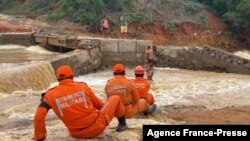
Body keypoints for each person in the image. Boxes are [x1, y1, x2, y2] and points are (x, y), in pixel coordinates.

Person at [33, 65, 127, 141]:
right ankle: (122, 124)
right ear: (72, 76)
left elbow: (38, 116)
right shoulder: (82, 87)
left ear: (58, 79)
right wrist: (109, 111)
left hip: (76, 133)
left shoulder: (50, 95)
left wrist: (40, 137)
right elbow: (99, 105)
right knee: (115, 98)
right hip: (96, 127)